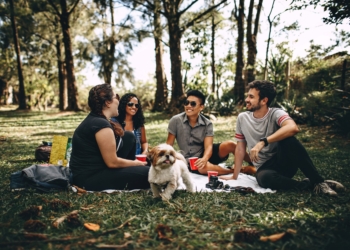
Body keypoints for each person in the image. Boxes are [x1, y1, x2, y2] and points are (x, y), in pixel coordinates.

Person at [221, 80, 344, 195]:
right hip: (265, 168)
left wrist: (263, 142)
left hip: (284, 162)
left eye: (251, 97)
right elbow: (240, 148)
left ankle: (319, 182)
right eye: (248, 96)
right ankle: (308, 185)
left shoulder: (276, 113)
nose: (247, 99)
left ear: (264, 100)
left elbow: (293, 128)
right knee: (264, 179)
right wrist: (234, 176)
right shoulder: (242, 118)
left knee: (288, 139)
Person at [70, 84, 150, 191]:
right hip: (89, 178)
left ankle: (133, 170)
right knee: (151, 173)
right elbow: (112, 162)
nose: (119, 100)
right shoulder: (100, 125)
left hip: (99, 168)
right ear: (108, 102)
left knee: (128, 136)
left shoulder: (97, 119)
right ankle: (135, 170)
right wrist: (136, 163)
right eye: (116, 96)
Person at [166, 89, 253, 175]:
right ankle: (237, 170)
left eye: (193, 104)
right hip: (190, 160)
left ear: (201, 107)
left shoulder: (207, 123)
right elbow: (169, 145)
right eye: (186, 103)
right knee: (202, 167)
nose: (188, 106)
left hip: (206, 154)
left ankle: (254, 162)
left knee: (230, 144)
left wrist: (204, 159)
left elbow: (208, 147)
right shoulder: (175, 121)